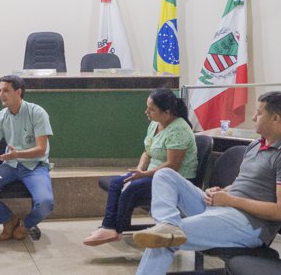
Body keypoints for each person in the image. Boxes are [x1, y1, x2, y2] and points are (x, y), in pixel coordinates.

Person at [96, 91, 281, 275]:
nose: (253, 117)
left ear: (276, 119)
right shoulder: (257, 145)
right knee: (166, 175)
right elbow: (245, 185)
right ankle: (168, 223)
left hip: (249, 225)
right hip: (224, 208)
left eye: (258, 113)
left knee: (163, 240)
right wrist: (223, 191)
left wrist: (231, 201)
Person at [83, 89, 197, 246]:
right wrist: (139, 170)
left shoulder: (179, 130)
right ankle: (108, 226)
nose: (146, 112)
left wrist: (143, 175)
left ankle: (118, 229)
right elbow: (147, 152)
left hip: (172, 180)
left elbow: (173, 166)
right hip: (152, 174)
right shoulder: (155, 124)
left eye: (151, 109)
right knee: (117, 183)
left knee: (132, 188)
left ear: (167, 112)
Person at [0, 75, 54, 241]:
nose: (1, 94)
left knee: (46, 203)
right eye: (0, 90)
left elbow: (41, 149)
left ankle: (26, 224)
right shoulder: (1, 116)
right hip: (10, 166)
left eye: (5, 90)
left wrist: (18, 154)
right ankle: (8, 220)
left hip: (35, 166)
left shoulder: (37, 113)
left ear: (18, 92)